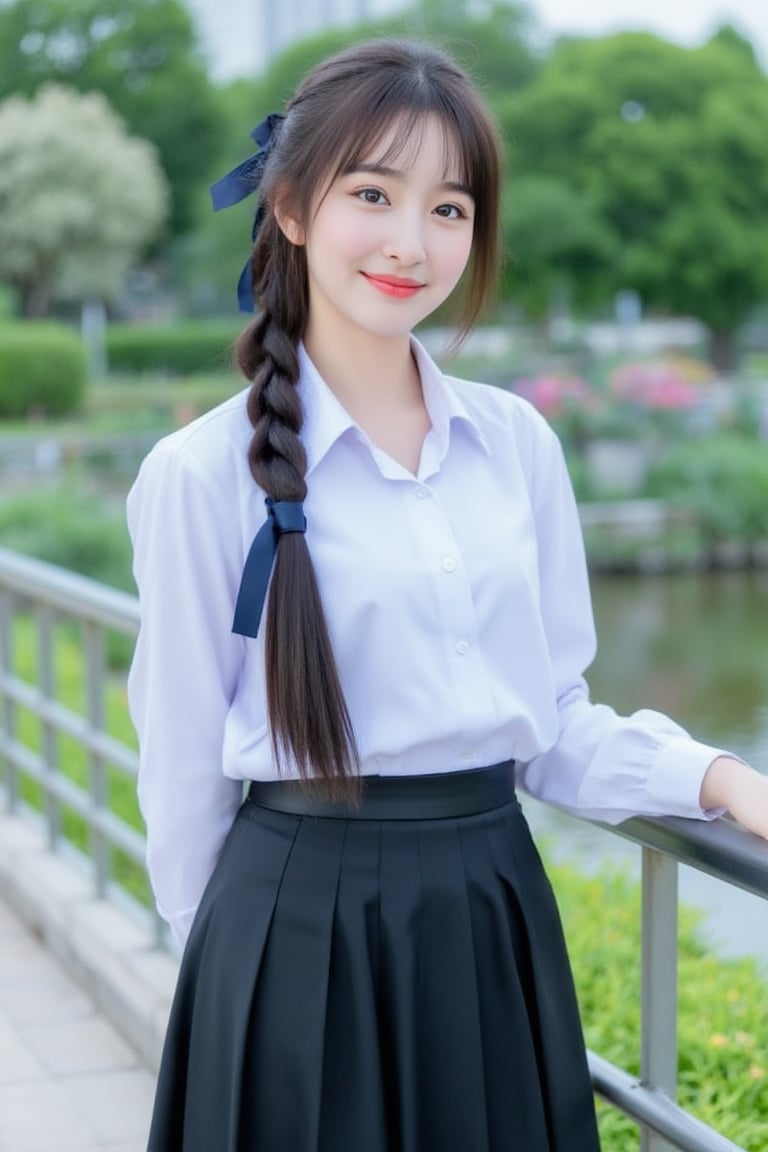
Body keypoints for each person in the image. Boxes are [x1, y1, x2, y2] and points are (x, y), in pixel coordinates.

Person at [126, 37, 768, 1152]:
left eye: (450, 209)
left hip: (487, 911)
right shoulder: (199, 474)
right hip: (292, 929)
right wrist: (231, 987)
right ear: (290, 206)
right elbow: (182, 763)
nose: (411, 243)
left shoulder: (514, 444)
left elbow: (550, 720)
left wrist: (715, 777)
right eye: (372, 193)